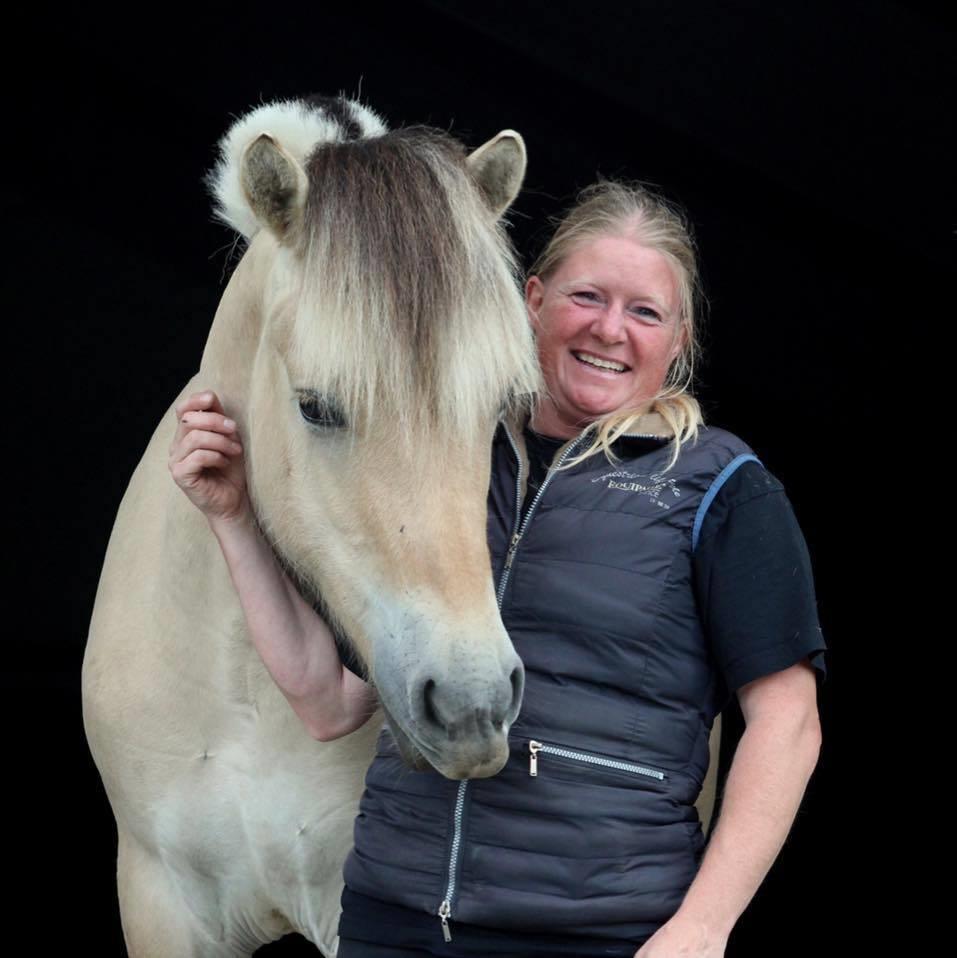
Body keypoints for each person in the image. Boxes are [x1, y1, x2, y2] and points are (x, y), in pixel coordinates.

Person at [169, 179, 827, 958]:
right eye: (586, 296)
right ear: (532, 300)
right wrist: (232, 517)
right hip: (396, 918)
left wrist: (703, 926)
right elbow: (327, 702)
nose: (610, 329)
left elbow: (787, 724)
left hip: (593, 933)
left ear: (677, 339)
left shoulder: (720, 488)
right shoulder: (445, 463)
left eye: (644, 311)